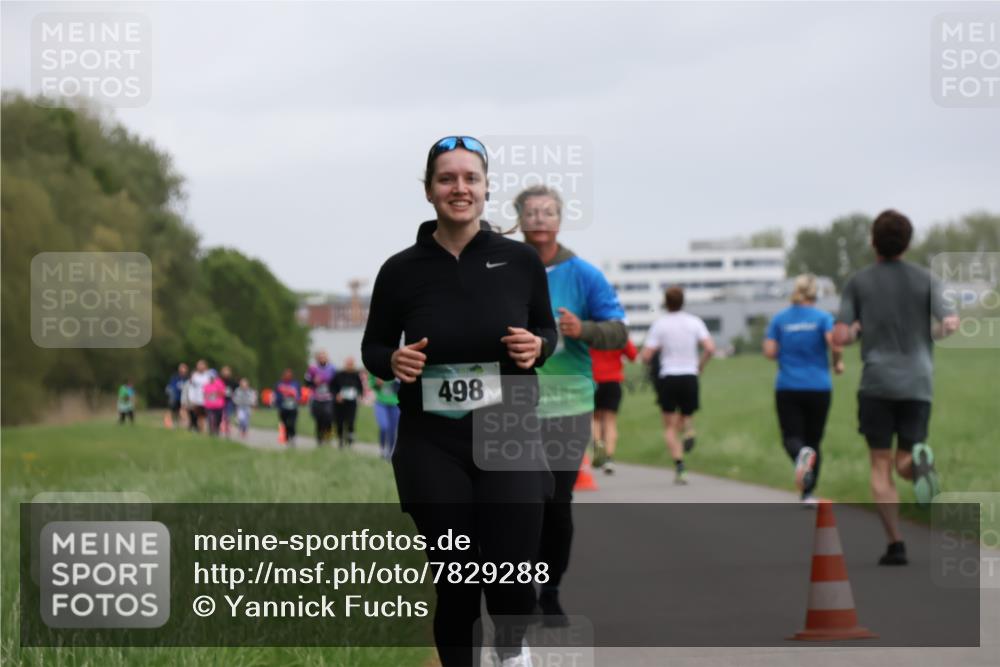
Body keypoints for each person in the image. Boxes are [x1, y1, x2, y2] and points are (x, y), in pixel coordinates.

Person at [361, 136, 557, 667]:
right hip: (432, 443)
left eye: (471, 178)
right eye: (446, 178)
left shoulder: (520, 261)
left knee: (512, 577)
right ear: (429, 191)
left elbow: (547, 330)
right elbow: (374, 347)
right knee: (458, 581)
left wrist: (539, 346)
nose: (459, 188)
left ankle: (511, 653)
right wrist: (392, 360)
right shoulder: (400, 270)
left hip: (508, 434)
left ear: (486, 188)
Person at [518, 184, 628, 627]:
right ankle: (519, 591)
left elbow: (618, 332)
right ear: (519, 220)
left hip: (567, 405)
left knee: (556, 504)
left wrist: (584, 330)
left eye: (547, 212)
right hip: (511, 406)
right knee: (518, 504)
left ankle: (550, 591)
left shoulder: (584, 275)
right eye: (531, 212)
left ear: (560, 220)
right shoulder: (503, 268)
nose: (539, 219)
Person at [833, 209, 958, 565]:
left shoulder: (858, 282)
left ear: (873, 241)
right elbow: (950, 322)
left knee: (880, 464)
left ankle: (896, 544)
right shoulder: (927, 279)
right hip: (918, 381)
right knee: (905, 456)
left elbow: (841, 334)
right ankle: (917, 467)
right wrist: (931, 334)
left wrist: (852, 333)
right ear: (908, 242)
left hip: (877, 382)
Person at [763, 274, 844, 506]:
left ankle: (800, 457)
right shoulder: (823, 317)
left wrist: (789, 349)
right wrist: (837, 363)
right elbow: (835, 343)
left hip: (788, 385)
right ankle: (808, 493)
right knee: (814, 440)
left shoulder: (780, 319)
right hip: (819, 386)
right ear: (816, 293)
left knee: (791, 437)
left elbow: (769, 351)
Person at [641, 286, 716, 485]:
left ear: (666, 303)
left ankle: (680, 466)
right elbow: (710, 348)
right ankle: (689, 430)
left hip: (669, 376)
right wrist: (700, 365)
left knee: (669, 427)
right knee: (686, 415)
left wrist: (652, 365)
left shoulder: (660, 324)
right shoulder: (694, 322)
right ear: (683, 301)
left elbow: (646, 356)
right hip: (690, 374)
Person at [590, 339, 638, 474]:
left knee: (595, 419)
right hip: (613, 380)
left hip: (593, 379)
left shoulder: (591, 332)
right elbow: (633, 355)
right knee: (610, 421)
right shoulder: (619, 334)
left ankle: (598, 445)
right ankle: (609, 459)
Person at [304, 350, 337, 445]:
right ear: (317, 358)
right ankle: (319, 439)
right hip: (316, 398)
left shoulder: (332, 368)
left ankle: (328, 437)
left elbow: (337, 382)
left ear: (327, 358)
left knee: (328, 417)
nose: (322, 358)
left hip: (328, 398)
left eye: (324, 356)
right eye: (320, 357)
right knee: (319, 419)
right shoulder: (312, 368)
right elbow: (306, 383)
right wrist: (313, 382)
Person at [331, 357, 364, 448]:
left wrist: (359, 395)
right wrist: (336, 395)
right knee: (339, 422)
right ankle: (340, 440)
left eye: (351, 364)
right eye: (348, 363)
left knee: (350, 422)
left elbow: (360, 388)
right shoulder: (338, 374)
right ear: (345, 364)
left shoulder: (356, 375)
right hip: (340, 403)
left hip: (351, 403)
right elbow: (332, 387)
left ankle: (350, 441)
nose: (350, 365)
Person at [370, 374, 401, 459]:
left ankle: (390, 451)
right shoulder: (378, 368)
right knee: (384, 426)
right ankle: (382, 449)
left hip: (395, 403)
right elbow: (371, 383)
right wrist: (377, 383)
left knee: (393, 429)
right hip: (381, 402)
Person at [273, 368, 301, 446]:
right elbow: (276, 395)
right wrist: (281, 397)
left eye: (289, 375)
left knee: (292, 424)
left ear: (292, 376)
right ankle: (287, 437)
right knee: (284, 424)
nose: (287, 376)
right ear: (283, 376)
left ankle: (293, 436)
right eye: (286, 375)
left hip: (293, 408)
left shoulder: (296, 384)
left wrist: (295, 397)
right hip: (283, 408)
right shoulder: (279, 384)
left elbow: (299, 395)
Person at [185, 359, 211, 433]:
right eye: (199, 365)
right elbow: (191, 388)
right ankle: (199, 430)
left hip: (206, 400)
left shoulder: (208, 376)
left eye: (202, 365)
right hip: (196, 400)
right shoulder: (194, 376)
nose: (201, 367)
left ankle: (203, 430)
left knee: (204, 417)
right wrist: (191, 398)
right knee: (198, 416)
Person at [203, 370, 227, 437]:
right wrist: (208, 396)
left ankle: (217, 430)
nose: (211, 378)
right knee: (210, 418)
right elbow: (205, 394)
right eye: (210, 376)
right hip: (209, 405)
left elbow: (223, 393)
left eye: (212, 376)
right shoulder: (206, 384)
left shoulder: (220, 383)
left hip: (219, 405)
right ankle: (211, 431)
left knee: (218, 419)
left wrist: (216, 394)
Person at [165, 362, 188, 428]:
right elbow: (171, 387)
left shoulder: (187, 378)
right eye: (181, 369)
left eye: (184, 369)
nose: (183, 371)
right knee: (172, 411)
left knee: (182, 411)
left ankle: (182, 424)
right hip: (175, 398)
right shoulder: (175, 377)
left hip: (184, 398)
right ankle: (169, 423)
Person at [220, 366, 239, 437]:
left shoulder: (232, 382)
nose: (226, 373)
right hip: (220, 400)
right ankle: (222, 426)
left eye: (227, 371)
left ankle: (227, 427)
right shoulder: (220, 381)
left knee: (228, 415)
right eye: (224, 371)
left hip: (229, 401)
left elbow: (237, 389)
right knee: (222, 415)